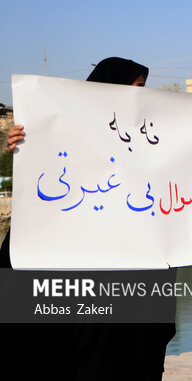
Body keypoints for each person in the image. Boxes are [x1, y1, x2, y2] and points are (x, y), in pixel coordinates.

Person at [4, 57, 175, 381]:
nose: (142, 96)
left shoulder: (148, 143)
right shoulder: (67, 141)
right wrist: (25, 147)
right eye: (137, 87)